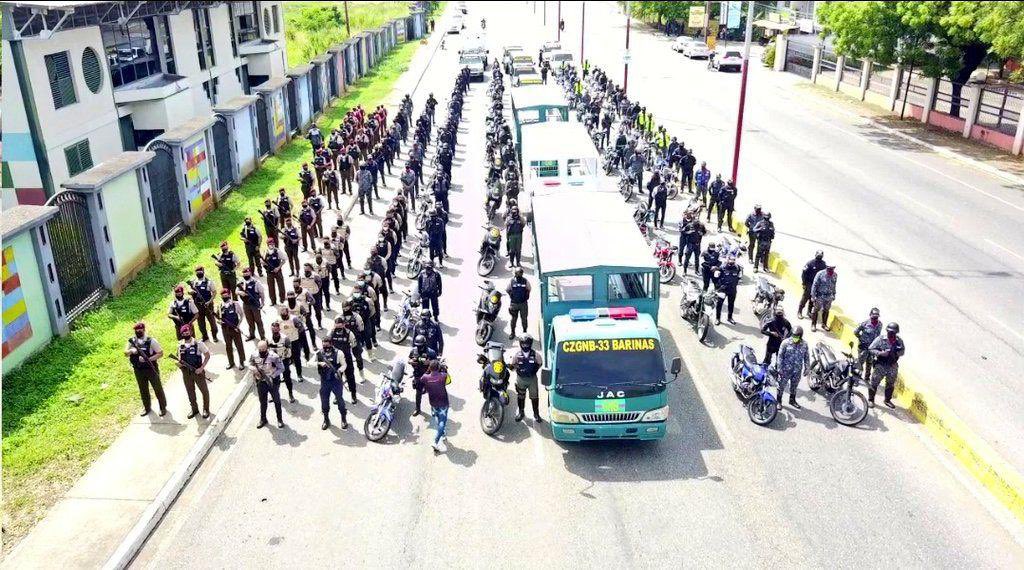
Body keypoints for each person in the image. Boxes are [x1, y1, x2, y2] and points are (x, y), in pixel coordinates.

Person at [125, 322, 166, 417]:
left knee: (157, 388)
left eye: (140, 330)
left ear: (144, 330)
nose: (138, 331)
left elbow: (160, 353)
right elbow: (125, 353)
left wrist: (148, 359)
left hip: (150, 368)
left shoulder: (151, 341)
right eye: (136, 330)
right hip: (138, 370)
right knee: (143, 389)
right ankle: (147, 407)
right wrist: (131, 351)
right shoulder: (132, 341)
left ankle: (162, 407)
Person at [174, 324, 211, 419]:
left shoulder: (199, 344)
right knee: (190, 392)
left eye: (187, 332)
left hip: (197, 371)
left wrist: (201, 368)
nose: (186, 333)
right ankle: (194, 409)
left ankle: (206, 409)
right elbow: (177, 359)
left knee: (204, 391)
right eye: (184, 332)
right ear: (181, 334)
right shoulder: (180, 345)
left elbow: (207, 355)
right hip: (186, 373)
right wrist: (178, 364)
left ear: (190, 332)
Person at [416, 359, 450, 454]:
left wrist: (428, 371)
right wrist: (443, 368)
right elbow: (449, 380)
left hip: (433, 402)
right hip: (443, 402)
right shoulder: (443, 376)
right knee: (442, 421)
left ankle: (442, 433)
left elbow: (421, 381)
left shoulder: (425, 377)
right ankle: (436, 441)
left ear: (430, 368)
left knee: (437, 417)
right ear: (438, 368)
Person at [249, 341, 286, 429]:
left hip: (272, 382)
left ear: (267, 348)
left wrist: (273, 375)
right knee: (263, 402)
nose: (261, 351)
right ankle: (263, 419)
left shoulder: (274, 356)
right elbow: (250, 363)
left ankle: (280, 420)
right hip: (261, 382)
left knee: (276, 400)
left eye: (263, 349)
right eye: (260, 349)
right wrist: (254, 369)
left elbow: (282, 368)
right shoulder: (254, 355)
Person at [868, 322, 905, 409]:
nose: (891, 333)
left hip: (892, 365)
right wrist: (881, 353)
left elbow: (902, 352)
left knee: (890, 384)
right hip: (881, 364)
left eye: (893, 332)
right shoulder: (881, 339)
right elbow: (871, 348)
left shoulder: (899, 341)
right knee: (874, 382)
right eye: (890, 331)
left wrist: (896, 352)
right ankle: (871, 400)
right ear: (887, 331)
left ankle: (887, 400)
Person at [316, 337, 350, 430]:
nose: (326, 347)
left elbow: (344, 365)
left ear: (331, 344)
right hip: (324, 381)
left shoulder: (338, 353)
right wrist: (320, 363)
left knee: (340, 401)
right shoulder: (320, 353)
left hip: (336, 381)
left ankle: (343, 419)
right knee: (324, 402)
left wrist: (339, 371)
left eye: (327, 345)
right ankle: (326, 419)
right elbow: (310, 362)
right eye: (324, 345)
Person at [511, 334, 543, 423]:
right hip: (521, 379)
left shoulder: (536, 355)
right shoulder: (517, 355)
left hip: (532, 379)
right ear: (520, 344)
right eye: (523, 344)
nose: (525, 346)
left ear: (530, 344)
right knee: (521, 396)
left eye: (527, 344)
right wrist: (513, 367)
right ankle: (521, 413)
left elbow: (540, 363)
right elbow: (513, 366)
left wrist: (534, 370)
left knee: (534, 397)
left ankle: (536, 414)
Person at [775, 326, 809, 409]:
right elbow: (780, 356)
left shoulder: (804, 344)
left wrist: (807, 368)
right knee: (781, 386)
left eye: (797, 336)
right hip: (785, 370)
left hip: (797, 370)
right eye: (793, 335)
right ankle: (778, 401)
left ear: (801, 336)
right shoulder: (785, 343)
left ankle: (792, 400)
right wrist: (779, 369)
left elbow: (806, 357)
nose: (795, 338)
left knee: (794, 386)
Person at [187, 266, 218, 343]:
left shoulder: (209, 282)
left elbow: (214, 293)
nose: (198, 273)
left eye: (200, 272)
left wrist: (209, 301)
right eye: (197, 272)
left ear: (203, 272)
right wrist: (191, 292)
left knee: (212, 321)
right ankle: (205, 336)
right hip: (198, 306)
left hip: (208, 305)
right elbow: (189, 291)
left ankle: (214, 336)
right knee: (201, 323)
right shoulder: (194, 282)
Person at [409, 334, 438, 417]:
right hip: (418, 375)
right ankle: (417, 409)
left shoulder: (431, 352)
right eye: (417, 346)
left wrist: (430, 363)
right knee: (418, 393)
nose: (419, 348)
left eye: (420, 346)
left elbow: (437, 364)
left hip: (429, 375)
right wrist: (411, 361)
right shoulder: (413, 351)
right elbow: (409, 358)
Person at [267, 322, 297, 401]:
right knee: (274, 379)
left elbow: (290, 350)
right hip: (274, 362)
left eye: (276, 330)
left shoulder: (285, 338)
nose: (275, 332)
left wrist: (286, 357)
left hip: (283, 361)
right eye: (273, 330)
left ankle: (290, 394)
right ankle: (275, 395)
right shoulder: (268, 339)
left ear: (279, 329)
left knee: (287, 378)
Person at [218, 288, 246, 369]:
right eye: (223, 296)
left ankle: (242, 361)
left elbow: (241, 315)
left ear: (229, 295)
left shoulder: (235, 304)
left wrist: (238, 325)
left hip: (235, 328)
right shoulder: (220, 306)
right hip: (225, 330)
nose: (225, 297)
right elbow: (218, 319)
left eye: (226, 296)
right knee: (228, 346)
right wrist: (220, 322)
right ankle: (231, 362)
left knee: (239, 345)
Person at [854, 308, 883, 383]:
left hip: (872, 348)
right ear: (870, 315)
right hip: (864, 347)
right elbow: (856, 332)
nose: (875, 318)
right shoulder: (865, 323)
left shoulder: (880, 324)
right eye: (873, 316)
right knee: (860, 363)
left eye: (876, 316)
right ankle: (856, 377)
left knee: (869, 363)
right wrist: (861, 339)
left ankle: (866, 378)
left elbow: (878, 336)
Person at [236, 268, 266, 341]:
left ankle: (262, 337)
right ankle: (252, 335)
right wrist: (240, 292)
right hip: (246, 304)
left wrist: (262, 303)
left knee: (258, 321)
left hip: (254, 305)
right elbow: (236, 291)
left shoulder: (256, 282)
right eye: (244, 274)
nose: (245, 275)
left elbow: (262, 293)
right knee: (249, 321)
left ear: (250, 273)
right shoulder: (241, 282)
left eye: (247, 273)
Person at [798, 251, 826, 319]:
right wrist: (804, 283)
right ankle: (800, 311)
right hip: (809, 283)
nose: (819, 256)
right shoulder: (810, 263)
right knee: (805, 298)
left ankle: (809, 311)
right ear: (815, 255)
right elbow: (804, 274)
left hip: (817, 285)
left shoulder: (823, 264)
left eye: (820, 255)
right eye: (818, 255)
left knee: (813, 299)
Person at [713, 256, 741, 325]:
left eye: (733, 260)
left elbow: (739, 277)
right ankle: (717, 318)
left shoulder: (737, 268)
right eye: (730, 260)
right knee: (719, 305)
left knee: (731, 304)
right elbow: (716, 277)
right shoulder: (722, 267)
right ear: (728, 260)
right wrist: (718, 287)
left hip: (732, 289)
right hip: (723, 289)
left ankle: (730, 318)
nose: (732, 262)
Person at [810, 264, 837, 332]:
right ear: (827, 268)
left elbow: (834, 285)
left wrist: (834, 294)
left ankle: (824, 324)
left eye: (832, 269)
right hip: (820, 295)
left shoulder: (835, 275)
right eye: (829, 269)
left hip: (829, 296)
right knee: (816, 310)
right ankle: (813, 325)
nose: (831, 270)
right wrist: (813, 296)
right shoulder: (820, 274)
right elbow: (814, 285)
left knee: (826, 310)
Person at [506, 268, 531, 337]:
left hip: (523, 303)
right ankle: (512, 333)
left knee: (524, 319)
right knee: (513, 319)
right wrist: (512, 296)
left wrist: (526, 296)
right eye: (517, 273)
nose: (519, 275)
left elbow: (529, 289)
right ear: (515, 274)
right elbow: (507, 289)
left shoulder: (525, 281)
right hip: (514, 304)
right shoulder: (512, 281)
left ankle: (525, 332)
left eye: (520, 273)